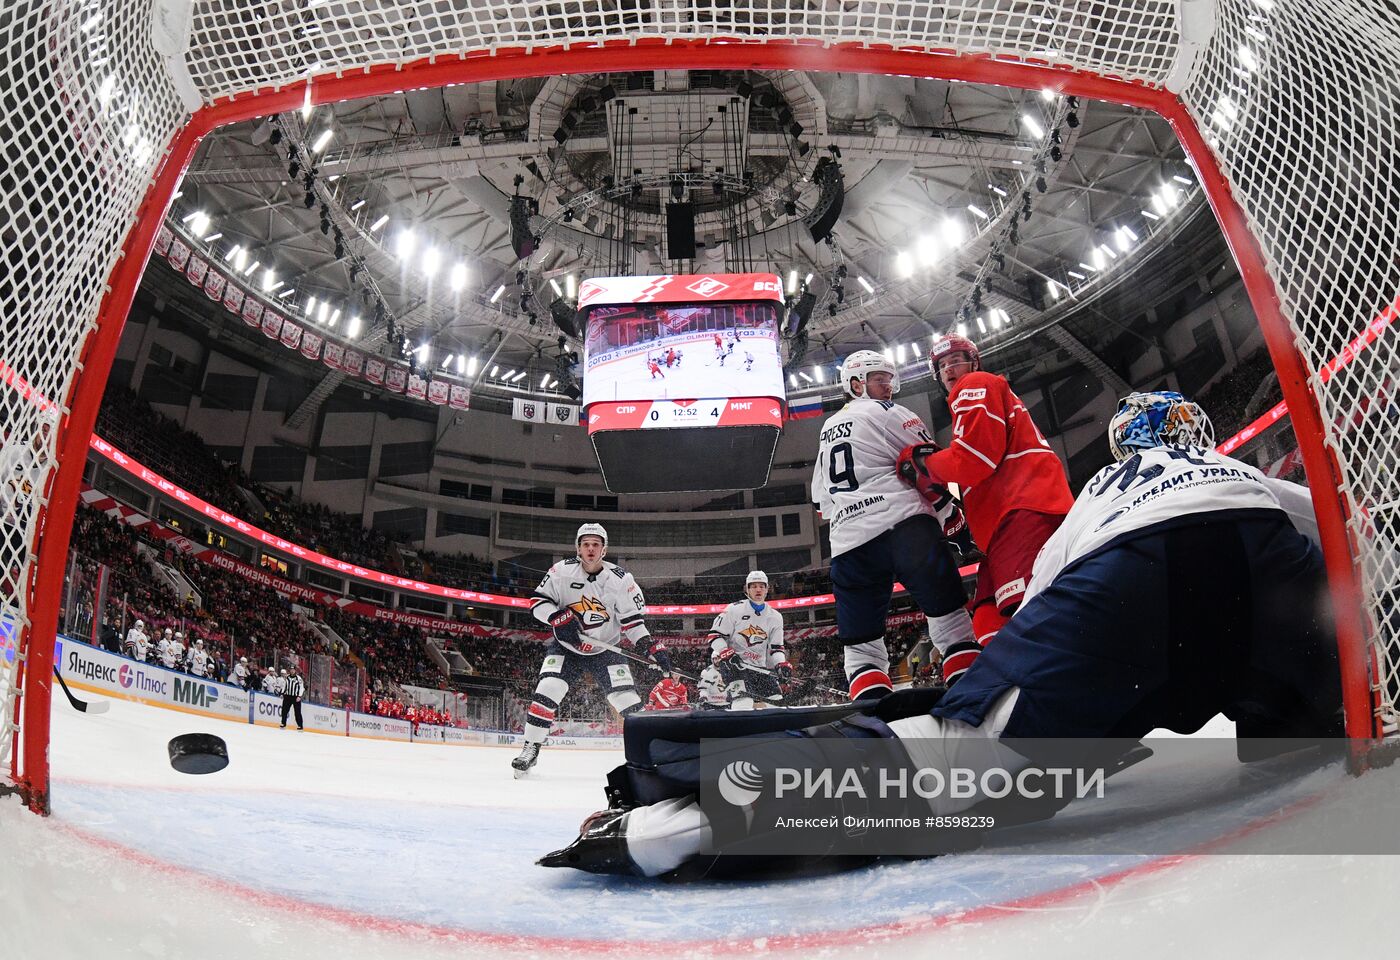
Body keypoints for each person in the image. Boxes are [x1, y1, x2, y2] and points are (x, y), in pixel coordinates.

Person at [540, 390, 1343, 878]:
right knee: (1303, 734)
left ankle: (673, 826)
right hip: (1266, 567)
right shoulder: (1243, 475)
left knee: (964, 761)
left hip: (1121, 574)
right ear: (1195, 437)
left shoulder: (1104, 489)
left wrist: (1016, 699)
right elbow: (1336, 540)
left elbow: (1052, 601)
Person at [897, 334, 1074, 684]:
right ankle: (998, 686)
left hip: (1023, 510)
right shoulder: (985, 391)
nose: (950, 369)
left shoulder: (974, 384)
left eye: (957, 360)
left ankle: (1055, 698)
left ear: (973, 363)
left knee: (1028, 613)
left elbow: (975, 459)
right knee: (987, 612)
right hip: (1010, 521)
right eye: (942, 365)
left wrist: (921, 462)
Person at [810, 350, 974, 700]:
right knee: (951, 621)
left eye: (888, 378)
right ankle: (974, 698)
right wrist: (951, 516)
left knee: (861, 648)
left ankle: (874, 727)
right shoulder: (889, 412)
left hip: (849, 543)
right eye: (878, 378)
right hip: (905, 527)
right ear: (856, 384)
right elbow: (926, 464)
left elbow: (820, 501)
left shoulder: (826, 429)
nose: (888, 385)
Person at [513, 523, 672, 776]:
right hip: (566, 647)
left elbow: (632, 622)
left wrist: (650, 646)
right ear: (578, 548)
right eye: (585, 544)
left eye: (595, 544)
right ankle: (530, 748)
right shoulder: (561, 571)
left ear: (604, 549)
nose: (590, 549)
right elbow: (537, 602)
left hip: (606, 648)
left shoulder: (622, 580)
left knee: (627, 701)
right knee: (548, 689)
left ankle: (650, 753)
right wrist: (557, 617)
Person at [707, 571, 791, 706]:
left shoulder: (775, 617)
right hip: (734, 666)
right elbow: (714, 636)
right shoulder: (734, 609)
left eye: (762, 586)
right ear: (747, 589)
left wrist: (780, 664)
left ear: (767, 589)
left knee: (775, 703)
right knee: (743, 703)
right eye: (754, 586)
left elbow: (776, 648)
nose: (758, 589)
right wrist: (724, 651)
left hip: (760, 668)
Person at [280, 665, 305, 730]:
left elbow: (301, 688)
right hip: (287, 696)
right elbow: (284, 686)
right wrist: (282, 693)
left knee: (297, 712)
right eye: (291, 669)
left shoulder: (299, 678)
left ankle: (300, 725)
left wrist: (299, 696)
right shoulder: (287, 677)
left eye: (293, 669)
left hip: (296, 697)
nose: (292, 671)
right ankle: (283, 723)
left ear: (295, 670)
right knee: (284, 710)